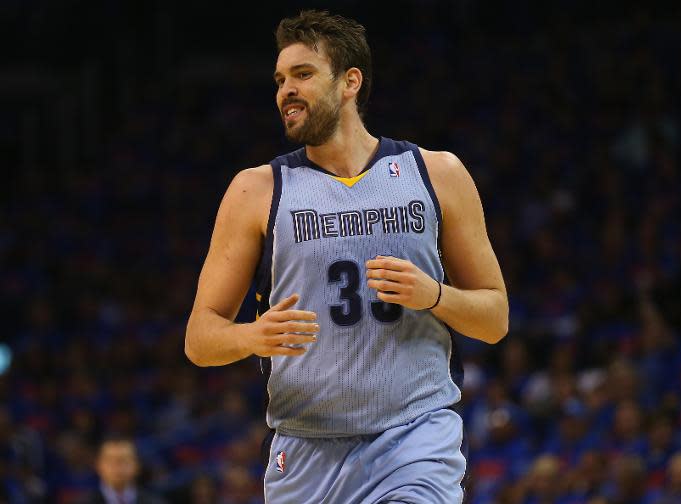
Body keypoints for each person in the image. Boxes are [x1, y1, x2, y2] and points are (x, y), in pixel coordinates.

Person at [184, 9, 508, 503]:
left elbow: (495, 317)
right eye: (279, 80)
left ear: (350, 81)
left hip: (414, 438)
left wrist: (434, 295)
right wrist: (252, 335)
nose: (285, 91)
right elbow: (200, 338)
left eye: (302, 75)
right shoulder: (255, 191)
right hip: (305, 451)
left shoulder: (436, 174)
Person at [82, 435, 166, 504]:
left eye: (123, 460)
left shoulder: (155, 502)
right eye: (110, 460)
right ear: (98, 465)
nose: (117, 466)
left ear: (137, 465)